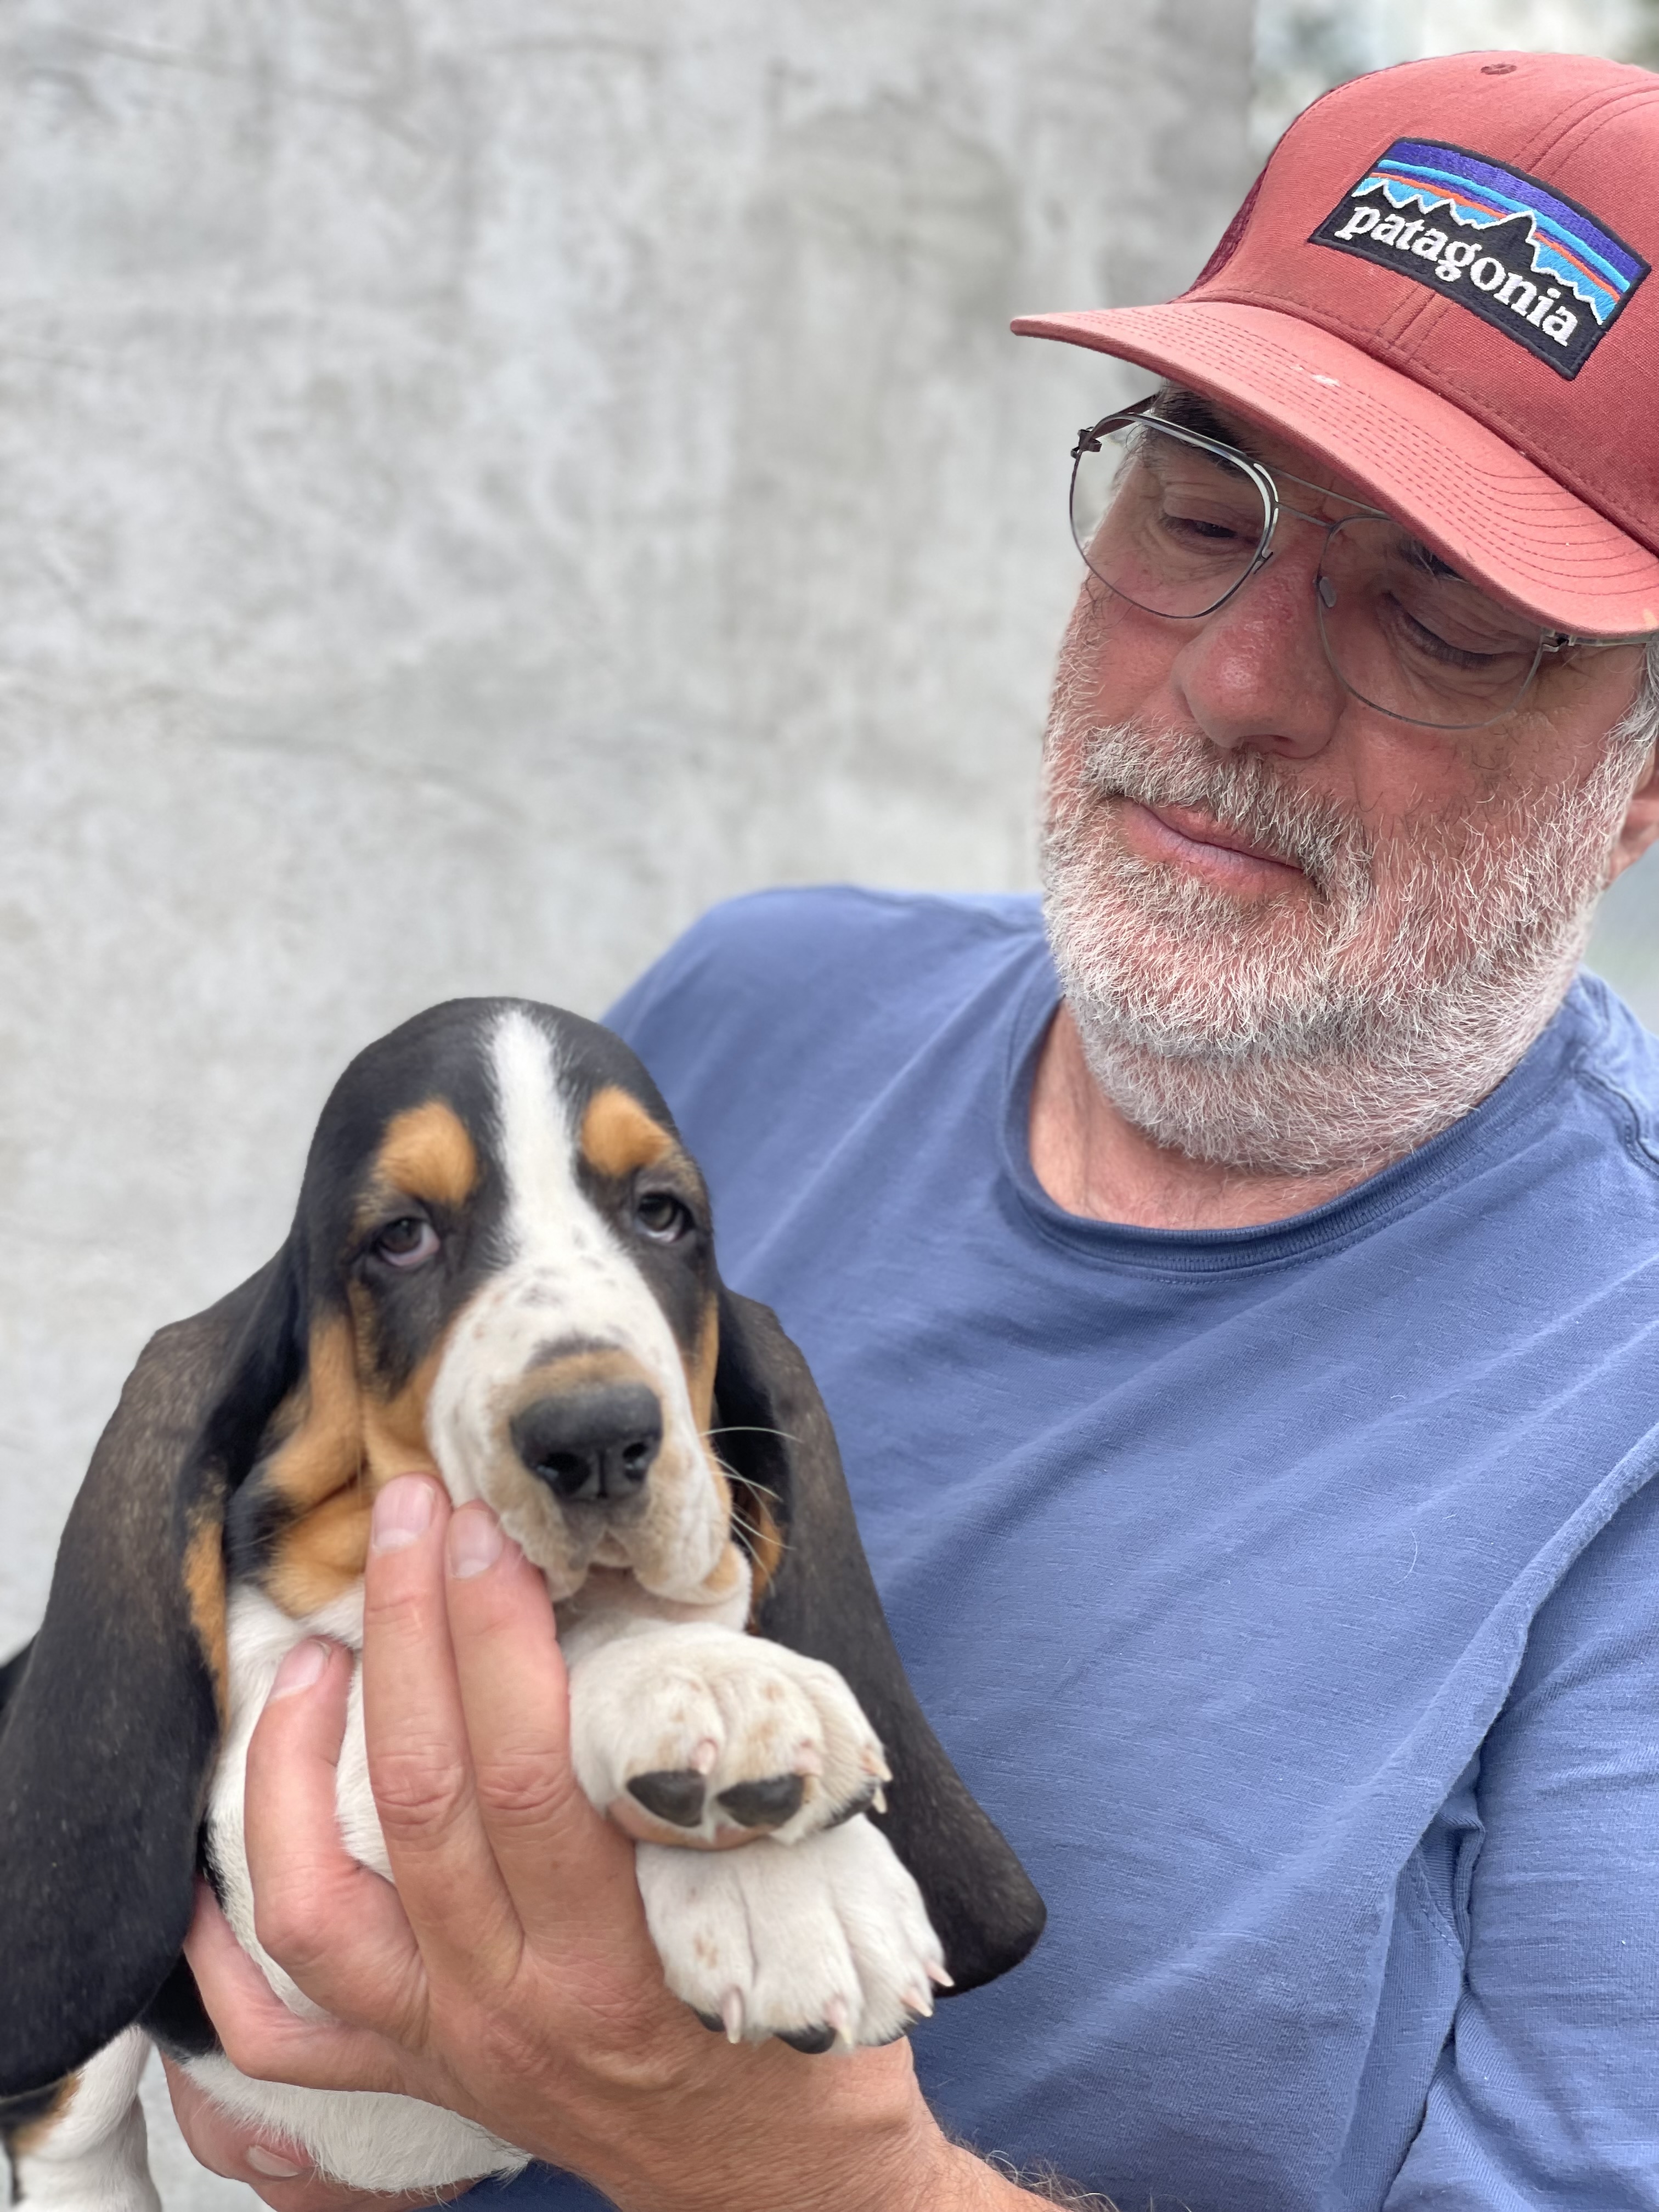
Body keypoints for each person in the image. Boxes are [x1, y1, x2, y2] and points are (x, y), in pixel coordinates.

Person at [164, 47, 1659, 2212]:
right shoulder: (740, 1027)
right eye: (1201, 509)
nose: (1236, 685)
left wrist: (761, 2151)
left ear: (1639, 776)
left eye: (1442, 614)